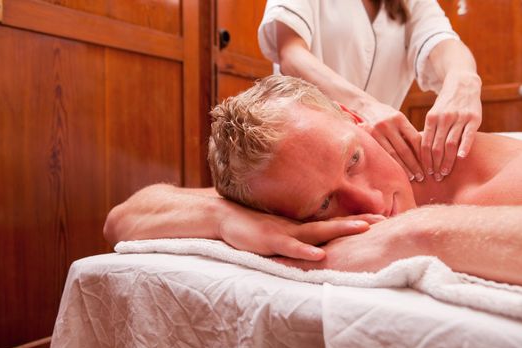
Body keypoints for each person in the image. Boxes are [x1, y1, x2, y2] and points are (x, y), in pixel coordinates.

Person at [104, 76, 522, 285]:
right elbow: (124, 217)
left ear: (357, 120)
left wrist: (411, 235)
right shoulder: (287, 187)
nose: (370, 202)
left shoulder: (502, 178)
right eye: (324, 204)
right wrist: (222, 217)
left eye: (354, 159)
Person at [257, 0, 482, 183]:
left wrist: (464, 80)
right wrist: (364, 107)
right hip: (301, 151)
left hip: (375, 160)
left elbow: (443, 42)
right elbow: (291, 53)